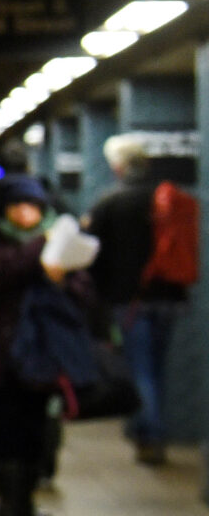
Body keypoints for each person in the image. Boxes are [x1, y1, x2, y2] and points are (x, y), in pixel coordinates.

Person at [0, 176, 84, 516]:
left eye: (33, 207)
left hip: (43, 353)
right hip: (1, 352)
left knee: (36, 426)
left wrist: (63, 278)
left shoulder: (58, 244)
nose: (26, 213)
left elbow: (83, 293)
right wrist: (44, 248)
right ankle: (7, 500)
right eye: (18, 206)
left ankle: (25, 499)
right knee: (4, 424)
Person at [86, 134, 193, 466]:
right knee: (157, 367)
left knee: (139, 369)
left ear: (118, 167)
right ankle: (151, 427)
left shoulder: (111, 203)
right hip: (171, 296)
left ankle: (150, 435)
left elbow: (93, 254)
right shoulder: (167, 200)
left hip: (130, 301)